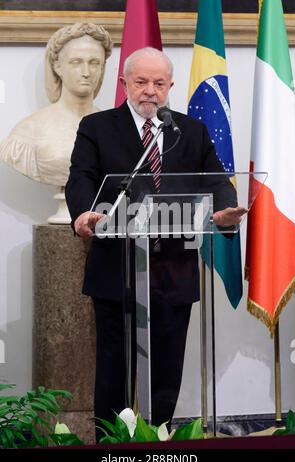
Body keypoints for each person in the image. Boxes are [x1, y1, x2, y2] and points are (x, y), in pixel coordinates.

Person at [65, 47, 246, 440]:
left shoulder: (190, 130)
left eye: (159, 83)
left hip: (174, 270)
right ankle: (111, 445)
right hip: (117, 270)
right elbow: (81, 178)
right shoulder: (97, 127)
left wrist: (224, 210)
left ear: (170, 87)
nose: (150, 91)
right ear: (124, 83)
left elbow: (215, 180)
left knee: (166, 370)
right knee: (113, 369)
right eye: (142, 82)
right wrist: (84, 213)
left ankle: (157, 441)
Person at [0, 23, 112, 187]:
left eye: (94, 62)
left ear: (102, 67)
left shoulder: (112, 128)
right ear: (58, 66)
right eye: (76, 62)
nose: (86, 72)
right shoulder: (29, 131)